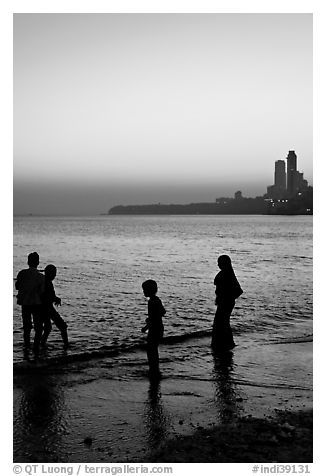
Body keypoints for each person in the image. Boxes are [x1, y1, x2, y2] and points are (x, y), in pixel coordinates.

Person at [212, 254, 243, 352]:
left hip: (226, 303)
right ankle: (226, 343)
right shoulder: (228, 273)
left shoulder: (227, 274)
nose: (218, 265)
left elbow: (238, 291)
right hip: (226, 302)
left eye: (219, 263)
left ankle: (222, 344)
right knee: (223, 323)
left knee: (220, 323)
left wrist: (227, 298)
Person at [15, 252, 45, 354]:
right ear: (38, 262)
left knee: (26, 328)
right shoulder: (41, 277)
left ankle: (27, 347)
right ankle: (36, 347)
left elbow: (17, 287)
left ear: (28, 262)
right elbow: (41, 292)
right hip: (36, 304)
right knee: (39, 328)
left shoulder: (21, 273)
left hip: (25, 303)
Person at [141, 280, 166, 377]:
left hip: (154, 328)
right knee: (153, 349)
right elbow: (163, 312)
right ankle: (155, 369)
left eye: (145, 290)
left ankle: (153, 369)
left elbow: (153, 318)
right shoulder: (157, 299)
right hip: (159, 327)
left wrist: (146, 327)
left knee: (151, 349)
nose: (143, 292)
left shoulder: (151, 301)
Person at [40, 264, 69, 348]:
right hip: (47, 308)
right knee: (62, 326)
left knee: (47, 328)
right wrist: (56, 299)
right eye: (54, 273)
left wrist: (55, 298)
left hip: (43, 308)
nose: (55, 275)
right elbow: (48, 297)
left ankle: (42, 344)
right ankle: (66, 345)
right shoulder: (47, 283)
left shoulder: (44, 281)